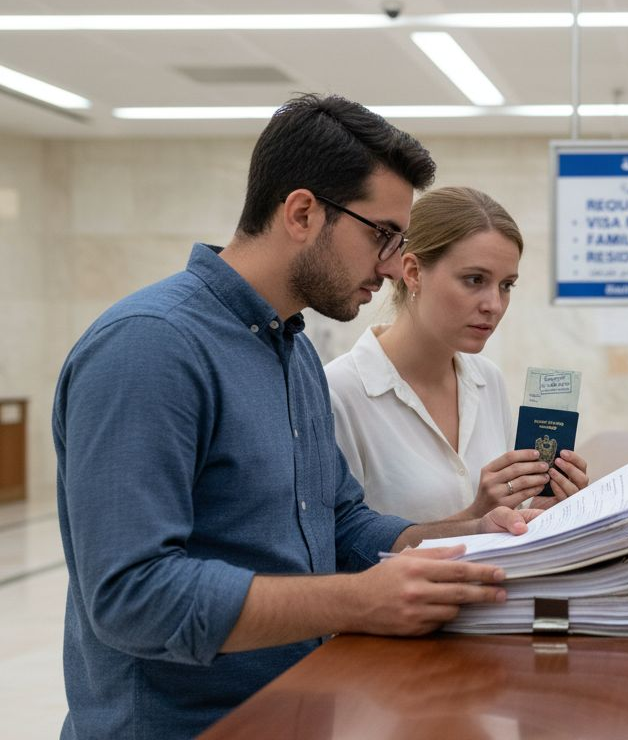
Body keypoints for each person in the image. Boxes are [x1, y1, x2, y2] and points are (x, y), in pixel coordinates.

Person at [52, 95, 539, 739]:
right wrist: (362, 600)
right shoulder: (150, 347)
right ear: (304, 213)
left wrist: (470, 533)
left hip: (295, 710)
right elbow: (132, 597)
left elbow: (340, 522)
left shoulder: (291, 349)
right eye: (383, 236)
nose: (395, 265)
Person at [325, 186, 589, 523]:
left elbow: (502, 522)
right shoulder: (339, 392)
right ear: (413, 272)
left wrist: (539, 513)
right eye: (474, 279)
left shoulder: (487, 379)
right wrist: (474, 518)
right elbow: (342, 552)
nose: (494, 305)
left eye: (506, 285)